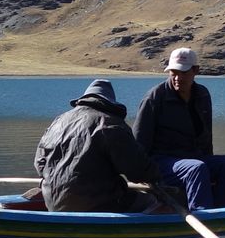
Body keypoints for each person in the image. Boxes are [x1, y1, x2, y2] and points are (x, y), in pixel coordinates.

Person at [133, 47, 225, 211]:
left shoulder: (202, 94)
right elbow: (139, 142)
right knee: (196, 168)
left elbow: (206, 136)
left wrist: (209, 164)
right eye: (173, 72)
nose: (177, 78)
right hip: (161, 162)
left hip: (192, 158)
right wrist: (144, 176)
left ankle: (222, 214)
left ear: (195, 70)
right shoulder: (155, 98)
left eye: (183, 72)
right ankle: (203, 216)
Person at [34, 79, 158, 212]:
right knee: (152, 201)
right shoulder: (111, 124)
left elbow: (39, 164)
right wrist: (157, 177)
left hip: (52, 202)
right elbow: (137, 170)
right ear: (110, 102)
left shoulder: (58, 121)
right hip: (98, 204)